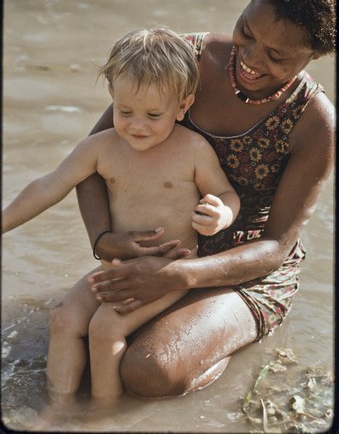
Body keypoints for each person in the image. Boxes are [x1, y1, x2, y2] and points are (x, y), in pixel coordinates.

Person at [75, 0, 336, 399]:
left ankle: (230, 342)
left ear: (316, 53)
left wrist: (182, 277)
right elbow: (92, 160)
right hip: (163, 252)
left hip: (245, 271)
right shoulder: (183, 60)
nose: (253, 59)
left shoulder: (314, 124)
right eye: (246, 32)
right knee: (73, 353)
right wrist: (102, 239)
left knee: (148, 372)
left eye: (278, 56)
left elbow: (276, 246)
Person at [2, 27, 240, 409]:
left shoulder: (193, 151)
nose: (136, 125)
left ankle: (101, 413)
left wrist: (222, 213)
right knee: (63, 318)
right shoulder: (102, 148)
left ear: (183, 106)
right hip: (118, 265)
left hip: (169, 271)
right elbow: (49, 187)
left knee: (105, 326)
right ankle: (57, 410)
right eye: (125, 111)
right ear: (112, 96)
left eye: (153, 115)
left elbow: (227, 193)